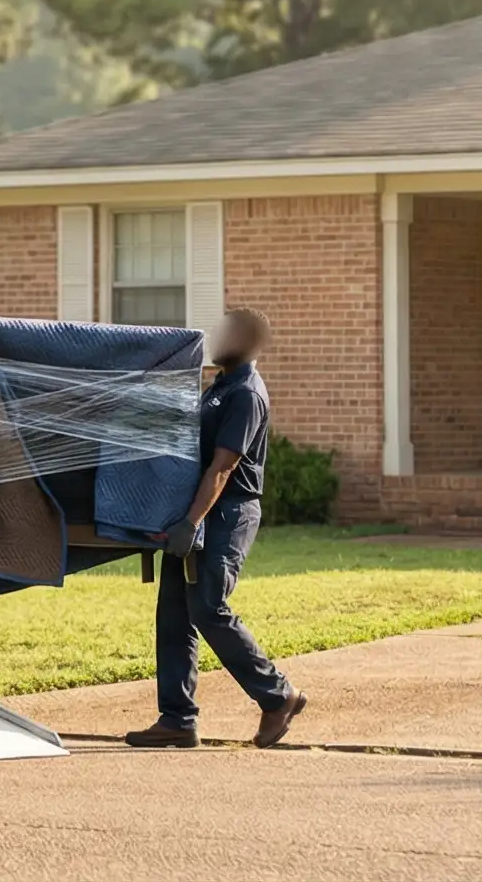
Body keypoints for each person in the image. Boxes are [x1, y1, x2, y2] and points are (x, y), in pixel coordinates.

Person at [124, 306, 309, 749]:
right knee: (174, 615)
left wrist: (192, 521)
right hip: (193, 512)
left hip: (225, 514)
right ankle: (177, 719)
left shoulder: (246, 393)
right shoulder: (218, 387)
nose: (216, 338)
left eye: (226, 333)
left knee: (208, 607)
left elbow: (224, 466)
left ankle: (278, 695)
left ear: (247, 342)